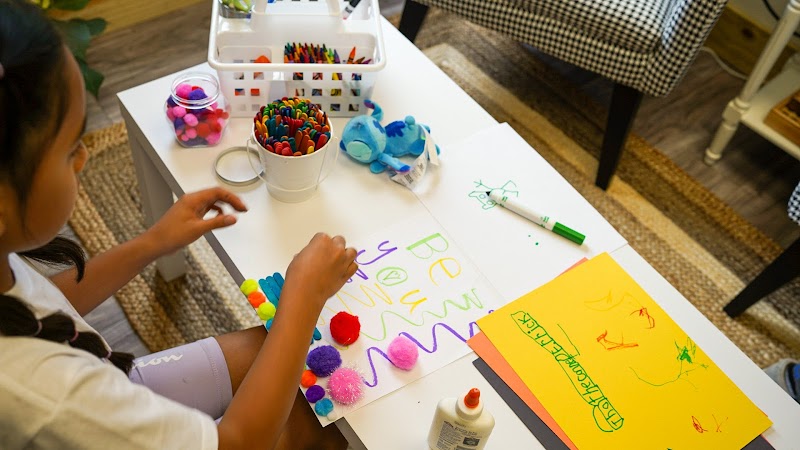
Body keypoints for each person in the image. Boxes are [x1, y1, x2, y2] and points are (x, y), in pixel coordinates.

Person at [0, 1, 358, 448]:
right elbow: (239, 442)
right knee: (327, 420)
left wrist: (153, 242)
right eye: (72, 147)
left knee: (281, 354)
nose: (84, 156)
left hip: (106, 376)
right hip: (98, 405)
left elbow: (42, 301)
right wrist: (303, 298)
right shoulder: (48, 395)